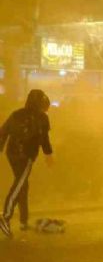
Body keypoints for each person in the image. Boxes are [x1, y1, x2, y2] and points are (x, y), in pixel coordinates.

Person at [0, 90, 53, 237]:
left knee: (23, 184)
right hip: (26, 156)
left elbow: (3, 132)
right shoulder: (42, 117)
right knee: (19, 185)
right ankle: (5, 217)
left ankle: (23, 221)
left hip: (11, 154)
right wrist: (49, 156)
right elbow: (44, 140)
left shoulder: (16, 114)